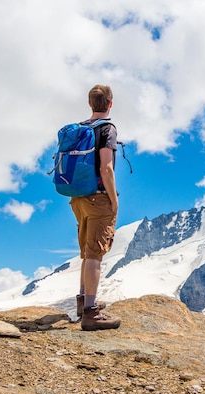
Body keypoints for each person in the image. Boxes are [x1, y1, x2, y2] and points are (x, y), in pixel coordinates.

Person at [70, 85, 121, 331]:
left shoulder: (80, 128)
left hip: (77, 197)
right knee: (95, 254)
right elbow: (106, 168)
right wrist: (113, 198)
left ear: (90, 104)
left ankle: (83, 302)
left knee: (86, 252)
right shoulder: (107, 129)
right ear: (110, 103)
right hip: (98, 197)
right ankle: (91, 313)